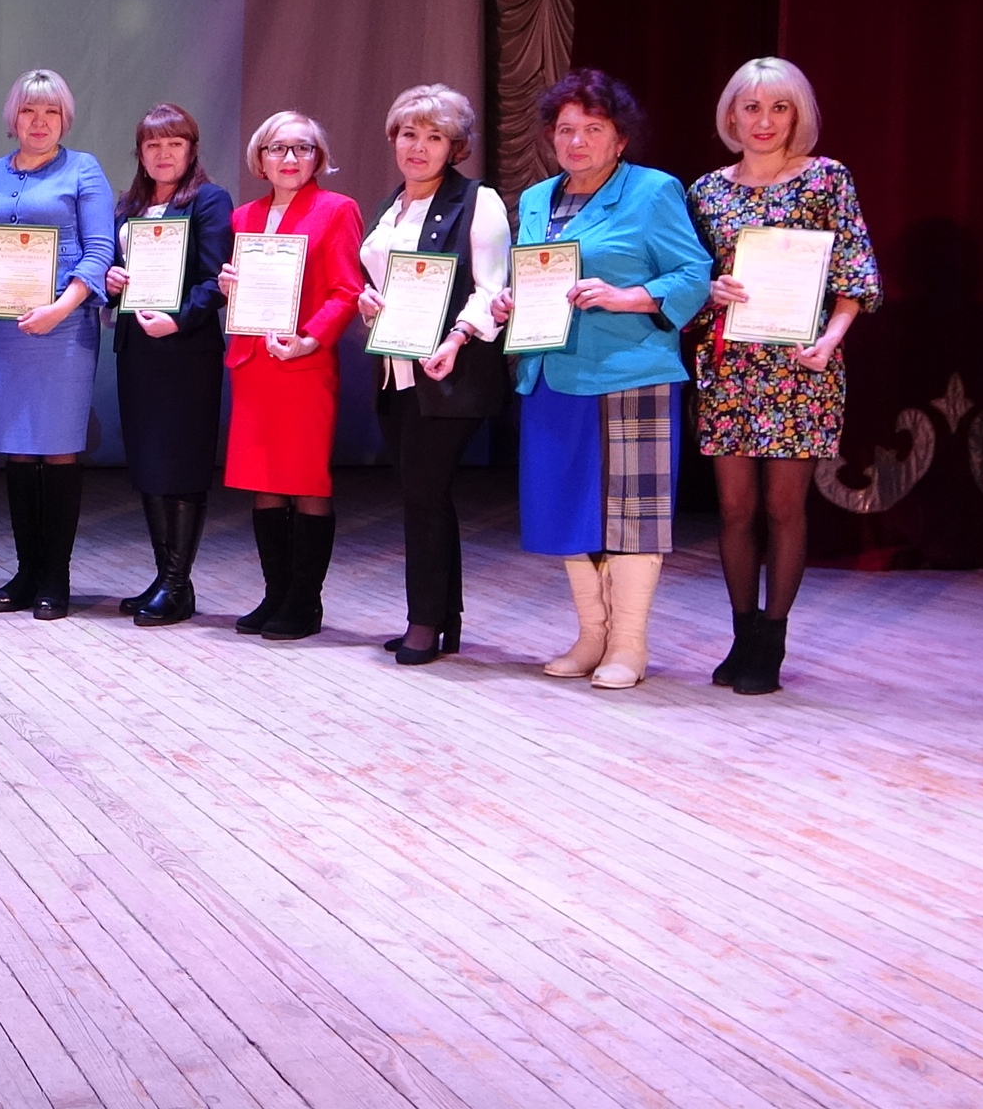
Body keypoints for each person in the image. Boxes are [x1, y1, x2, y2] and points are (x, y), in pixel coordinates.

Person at [492, 69, 711, 689]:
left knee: (632, 513)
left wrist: (626, 296)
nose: (577, 141)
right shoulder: (538, 198)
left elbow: (693, 273)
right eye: (565, 129)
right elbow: (534, 272)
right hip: (551, 370)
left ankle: (629, 644)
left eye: (593, 129)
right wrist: (511, 301)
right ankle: (592, 635)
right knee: (565, 505)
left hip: (629, 371)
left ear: (620, 138)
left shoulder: (652, 191)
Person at [687, 57, 879, 695]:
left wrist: (829, 340)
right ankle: (742, 633)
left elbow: (855, 275)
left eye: (779, 108)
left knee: (782, 506)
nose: (763, 121)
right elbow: (689, 279)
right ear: (731, 115)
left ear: (798, 116)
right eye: (751, 107)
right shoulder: (707, 191)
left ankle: (772, 638)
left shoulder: (827, 179)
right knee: (734, 508)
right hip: (729, 367)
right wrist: (709, 290)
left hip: (801, 367)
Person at [354, 85, 510, 664]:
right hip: (396, 371)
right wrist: (368, 302)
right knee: (426, 494)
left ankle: (423, 622)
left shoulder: (478, 201)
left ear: (455, 146)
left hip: (450, 370)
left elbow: (491, 287)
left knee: (423, 493)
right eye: (408, 134)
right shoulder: (391, 205)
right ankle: (444, 617)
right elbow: (382, 282)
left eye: (434, 136)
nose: (418, 147)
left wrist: (457, 337)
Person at [0, 69, 116, 621]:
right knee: (18, 449)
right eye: (29, 110)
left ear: (64, 119)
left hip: (63, 330)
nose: (39, 121)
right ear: (13, 118)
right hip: (3, 329)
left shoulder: (84, 169)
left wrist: (59, 309)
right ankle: (26, 573)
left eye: (50, 111)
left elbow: (99, 251)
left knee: (58, 447)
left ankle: (56, 577)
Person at [217, 111, 364, 641]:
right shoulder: (243, 217)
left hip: (304, 364)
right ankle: (275, 593)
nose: (290, 158)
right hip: (255, 365)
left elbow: (347, 291)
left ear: (318, 158)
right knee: (264, 483)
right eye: (277, 148)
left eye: (303, 148)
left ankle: (304, 601)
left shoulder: (337, 209)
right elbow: (244, 292)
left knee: (305, 482)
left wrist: (311, 338)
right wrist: (229, 285)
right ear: (260, 158)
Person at [102, 104, 232, 627]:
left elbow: (215, 279)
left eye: (174, 144)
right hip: (138, 349)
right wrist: (112, 283)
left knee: (182, 464)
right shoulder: (129, 205)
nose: (163, 154)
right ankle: (167, 579)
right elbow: (119, 274)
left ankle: (177, 583)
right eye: (153, 145)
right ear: (140, 153)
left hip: (186, 351)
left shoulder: (208, 200)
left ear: (191, 150)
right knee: (149, 464)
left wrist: (176, 321)